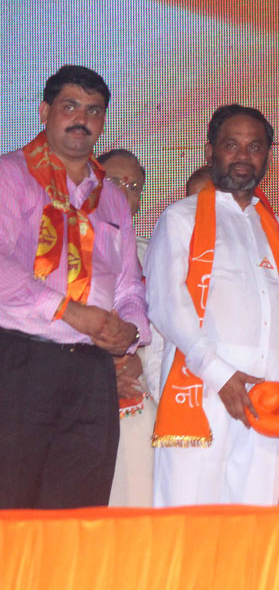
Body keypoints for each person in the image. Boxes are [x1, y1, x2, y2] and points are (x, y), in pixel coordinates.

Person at [0, 65, 148, 509]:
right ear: (45, 111)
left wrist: (131, 333)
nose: (82, 118)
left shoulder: (113, 195)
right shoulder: (11, 175)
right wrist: (69, 310)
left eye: (94, 111)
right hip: (23, 362)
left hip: (92, 374)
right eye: (70, 106)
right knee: (12, 506)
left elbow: (129, 287)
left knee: (80, 511)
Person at [146, 104, 279, 506]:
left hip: (268, 397)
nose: (243, 156)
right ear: (210, 150)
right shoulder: (180, 219)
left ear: (268, 155)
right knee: (188, 523)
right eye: (231, 145)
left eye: (255, 147)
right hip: (202, 390)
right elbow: (167, 305)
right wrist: (220, 374)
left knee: (255, 524)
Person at [98, 148, 159, 507]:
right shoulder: (58, 253)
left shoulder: (155, 252)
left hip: (145, 400)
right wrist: (100, 373)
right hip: (80, 403)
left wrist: (143, 360)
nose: (125, 192)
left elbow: (171, 325)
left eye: (134, 186)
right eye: (115, 182)